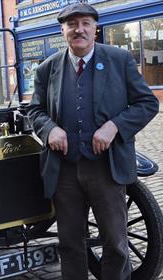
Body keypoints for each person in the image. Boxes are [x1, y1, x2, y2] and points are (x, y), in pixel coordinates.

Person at [27, 3, 158, 280]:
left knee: (116, 244)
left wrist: (114, 126)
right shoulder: (47, 68)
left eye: (85, 23)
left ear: (95, 29)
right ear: (62, 30)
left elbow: (147, 103)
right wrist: (49, 129)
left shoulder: (119, 59)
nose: (79, 29)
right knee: (71, 244)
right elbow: (34, 110)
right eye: (72, 24)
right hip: (64, 171)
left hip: (106, 168)